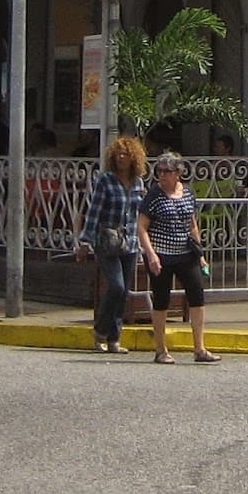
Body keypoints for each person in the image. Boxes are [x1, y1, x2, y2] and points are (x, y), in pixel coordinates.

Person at [137, 151, 219, 365]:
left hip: (185, 253)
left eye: (167, 171)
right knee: (162, 299)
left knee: (196, 294)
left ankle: (199, 347)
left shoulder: (188, 194)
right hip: (162, 254)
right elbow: (142, 227)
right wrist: (151, 254)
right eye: (159, 171)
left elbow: (192, 224)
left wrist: (200, 254)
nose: (162, 175)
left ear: (178, 173)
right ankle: (160, 349)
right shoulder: (154, 196)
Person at [76, 134, 147, 354]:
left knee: (124, 291)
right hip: (107, 240)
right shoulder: (105, 181)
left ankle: (114, 338)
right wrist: (85, 242)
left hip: (130, 241)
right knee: (115, 286)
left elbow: (139, 214)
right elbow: (94, 212)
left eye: (126, 154)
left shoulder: (138, 182)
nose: (122, 158)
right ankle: (100, 332)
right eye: (118, 155)